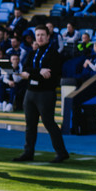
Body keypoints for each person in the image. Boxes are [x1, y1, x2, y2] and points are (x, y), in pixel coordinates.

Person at [14, 25, 69, 163]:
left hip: (45, 93)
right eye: (37, 35)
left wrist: (31, 74)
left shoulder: (53, 54)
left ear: (48, 36)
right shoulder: (32, 53)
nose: (40, 37)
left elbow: (49, 75)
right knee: (30, 125)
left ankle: (61, 153)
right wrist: (38, 72)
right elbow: (25, 69)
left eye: (42, 35)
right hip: (30, 93)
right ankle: (28, 152)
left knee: (49, 123)